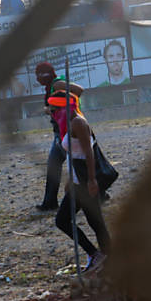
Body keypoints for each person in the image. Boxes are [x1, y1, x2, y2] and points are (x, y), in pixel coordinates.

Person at [49, 90, 110, 272]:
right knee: (95, 222)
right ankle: (106, 257)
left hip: (84, 182)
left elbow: (88, 153)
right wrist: (69, 179)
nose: (53, 114)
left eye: (55, 110)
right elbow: (73, 154)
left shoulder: (78, 123)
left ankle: (97, 255)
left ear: (65, 107)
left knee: (64, 220)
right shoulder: (69, 122)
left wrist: (92, 180)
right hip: (77, 181)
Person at [35, 62, 85, 210]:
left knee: (78, 165)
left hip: (68, 132)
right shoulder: (49, 87)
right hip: (59, 131)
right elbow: (54, 106)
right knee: (54, 167)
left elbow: (79, 90)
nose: (38, 78)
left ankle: (100, 194)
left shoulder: (57, 84)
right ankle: (50, 202)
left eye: (40, 74)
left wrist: (65, 106)